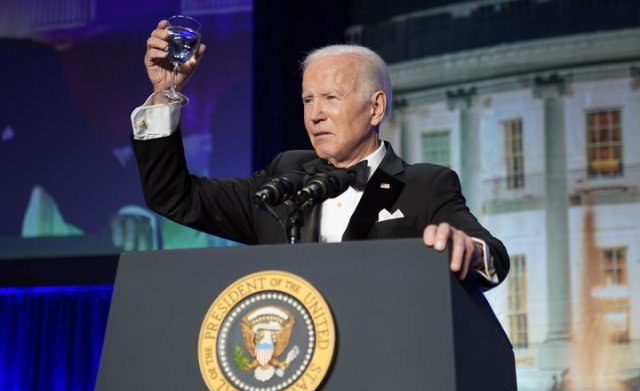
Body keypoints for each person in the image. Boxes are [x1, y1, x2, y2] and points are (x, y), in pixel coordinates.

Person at [130, 20, 509, 287]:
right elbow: (175, 197)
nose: (315, 114)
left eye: (331, 97)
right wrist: (165, 93)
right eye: (308, 99)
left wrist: (470, 250)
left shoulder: (425, 185)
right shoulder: (282, 177)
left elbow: (491, 254)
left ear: (376, 107)